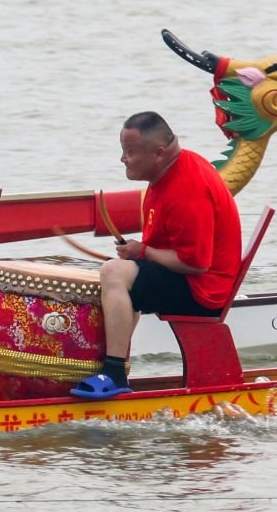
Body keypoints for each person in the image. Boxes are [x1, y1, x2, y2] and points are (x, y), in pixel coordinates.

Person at [71, 112, 242, 400]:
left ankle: (113, 373)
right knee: (124, 272)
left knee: (115, 273)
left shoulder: (187, 188)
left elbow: (196, 264)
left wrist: (143, 252)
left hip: (203, 292)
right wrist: (138, 254)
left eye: (129, 152)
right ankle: (115, 364)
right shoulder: (170, 169)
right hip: (192, 279)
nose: (123, 159)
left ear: (159, 153)